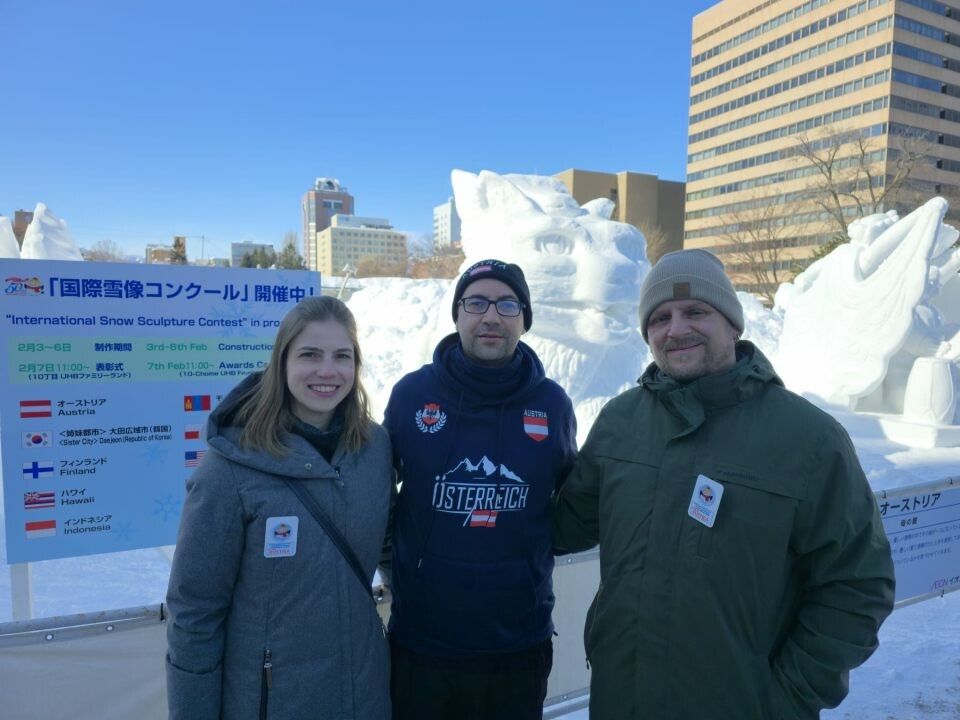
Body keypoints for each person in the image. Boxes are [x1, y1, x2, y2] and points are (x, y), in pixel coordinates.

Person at [553, 249, 896, 720]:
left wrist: (785, 697)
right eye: (660, 318)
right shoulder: (620, 421)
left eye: (696, 312)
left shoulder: (808, 438)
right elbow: (564, 524)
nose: (676, 329)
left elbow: (858, 586)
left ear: (733, 323)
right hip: (621, 698)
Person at [165, 296, 392, 720]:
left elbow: (391, 543)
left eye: (342, 356)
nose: (328, 371)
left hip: (366, 692)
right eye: (310, 354)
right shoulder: (229, 470)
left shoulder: (374, 449)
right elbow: (195, 612)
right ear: (281, 362)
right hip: (273, 701)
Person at [382, 259, 577, 720]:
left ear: (524, 320)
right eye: (477, 302)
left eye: (507, 304)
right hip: (422, 644)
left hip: (517, 645)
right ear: (457, 315)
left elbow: (570, 505)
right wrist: (399, 568)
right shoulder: (412, 396)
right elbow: (376, 497)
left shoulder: (552, 404)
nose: (491, 315)